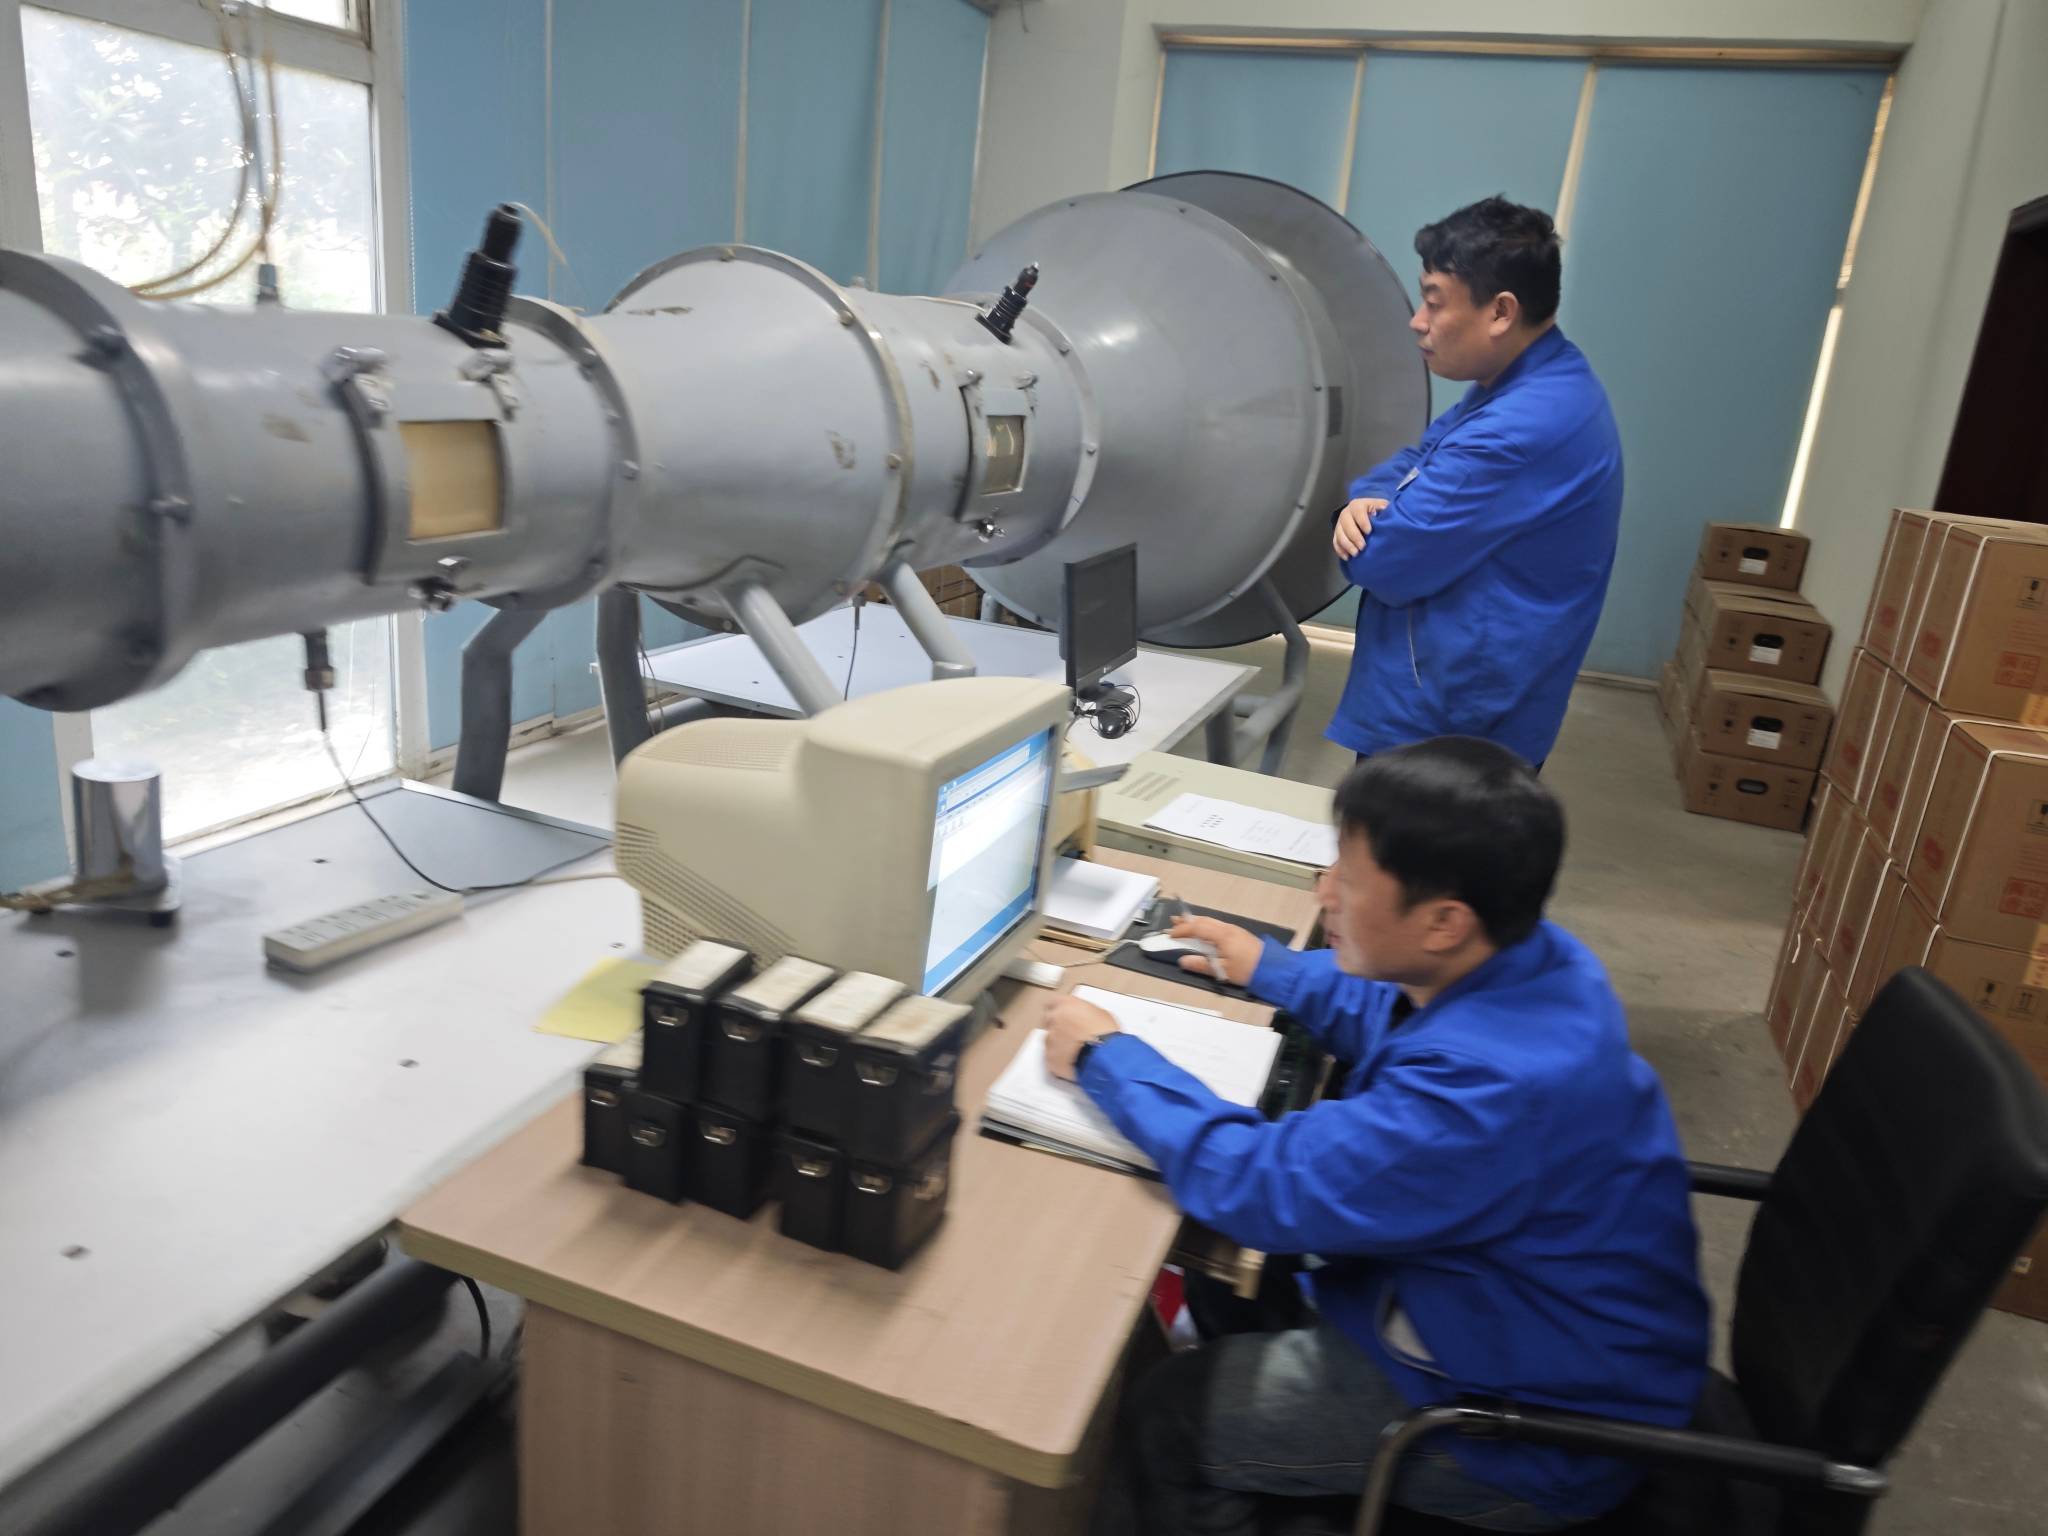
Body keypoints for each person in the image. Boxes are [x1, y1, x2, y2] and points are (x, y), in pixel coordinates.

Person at [1045, 739, 1707, 1533]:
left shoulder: (1486, 1094)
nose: (1323, 891)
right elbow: (1401, 1011)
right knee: (1231, 1278)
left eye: (1349, 881)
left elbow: (1264, 1186)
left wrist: (1105, 1057)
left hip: (1522, 1428)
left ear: (1445, 921)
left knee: (1169, 1413)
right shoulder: (1534, 964)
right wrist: (1271, 968)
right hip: (1497, 1315)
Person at [1328, 197, 1624, 769]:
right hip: (1458, 694)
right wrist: (1368, 497)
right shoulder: (1534, 379)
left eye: (1435, 302)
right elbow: (1419, 456)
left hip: (1452, 719)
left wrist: (1359, 517)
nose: (1418, 321)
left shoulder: (1523, 424)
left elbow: (1383, 559)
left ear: (1501, 311)